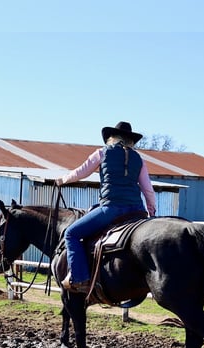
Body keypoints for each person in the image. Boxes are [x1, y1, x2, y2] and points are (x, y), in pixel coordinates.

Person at [55, 121, 157, 294]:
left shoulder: (102, 153)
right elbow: (148, 189)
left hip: (111, 208)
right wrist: (151, 211)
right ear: (130, 140)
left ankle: (79, 278)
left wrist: (62, 180)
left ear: (112, 137)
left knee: (71, 234)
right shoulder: (138, 159)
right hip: (137, 211)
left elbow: (81, 172)